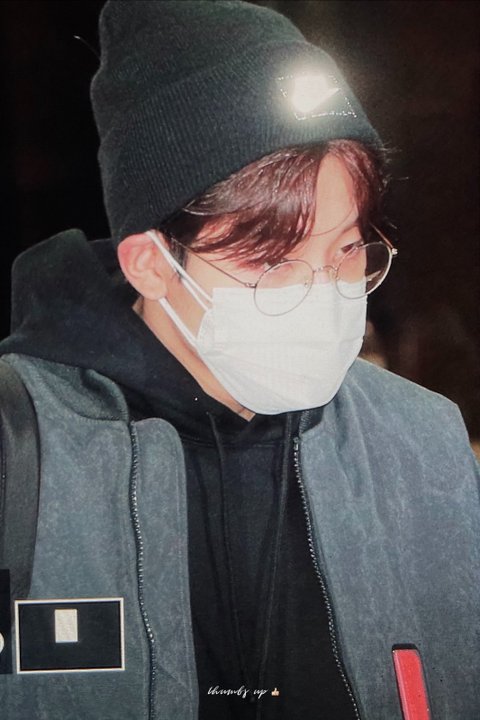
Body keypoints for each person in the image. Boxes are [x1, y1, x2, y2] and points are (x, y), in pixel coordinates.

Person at [0, 1, 479, 719]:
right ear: (152, 265)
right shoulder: (24, 452)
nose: (325, 292)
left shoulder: (421, 447)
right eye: (274, 262)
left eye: (348, 248)